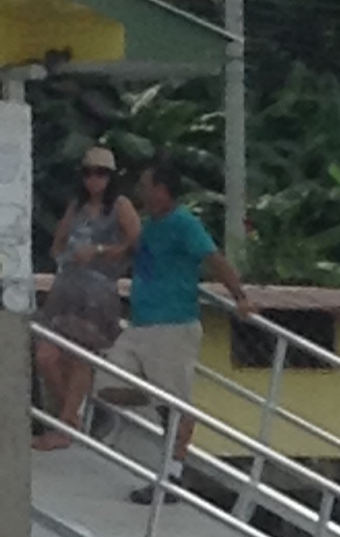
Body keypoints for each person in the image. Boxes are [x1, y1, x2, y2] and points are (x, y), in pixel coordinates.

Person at [102, 154, 250, 504]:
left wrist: (241, 296)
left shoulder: (185, 224)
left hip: (173, 324)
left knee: (173, 404)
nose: (141, 192)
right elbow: (132, 252)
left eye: (145, 186)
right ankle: (163, 412)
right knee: (108, 383)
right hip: (141, 323)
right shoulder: (151, 226)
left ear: (162, 190)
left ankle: (172, 477)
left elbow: (214, 260)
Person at [34, 145, 140, 448]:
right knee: (48, 355)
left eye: (101, 174)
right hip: (68, 287)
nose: (94, 180)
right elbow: (58, 242)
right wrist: (65, 257)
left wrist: (101, 251)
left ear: (111, 177)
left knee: (81, 357)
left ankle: (64, 427)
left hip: (98, 289)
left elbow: (136, 243)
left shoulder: (120, 205)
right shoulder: (76, 206)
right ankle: (70, 418)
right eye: (89, 173)